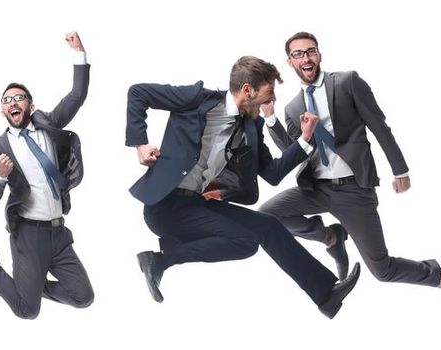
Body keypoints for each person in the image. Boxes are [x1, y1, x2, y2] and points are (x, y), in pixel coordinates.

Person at [127, 56, 361, 318]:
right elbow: (138, 93)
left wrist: (305, 140)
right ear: (247, 90)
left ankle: (327, 295)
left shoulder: (252, 126)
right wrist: (141, 144)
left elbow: (272, 173)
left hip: (195, 204)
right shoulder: (197, 99)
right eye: (268, 94)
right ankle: (161, 260)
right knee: (246, 242)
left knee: (268, 226)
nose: (270, 102)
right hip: (164, 206)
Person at [259, 32, 441, 313]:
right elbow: (292, 149)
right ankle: (329, 237)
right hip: (315, 188)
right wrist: (269, 116)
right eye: (298, 54)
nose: (306, 58)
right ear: (290, 62)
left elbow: (378, 124)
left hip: (352, 189)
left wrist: (400, 169)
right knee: (267, 215)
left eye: (310, 51)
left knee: (382, 270)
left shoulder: (347, 82)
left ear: (319, 55)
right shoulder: (293, 107)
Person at [0, 32, 94, 319]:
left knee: (83, 297)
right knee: (27, 310)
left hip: (59, 233)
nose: (13, 102)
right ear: (2, 111)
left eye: (19, 98)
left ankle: (16, 287)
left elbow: (77, 95)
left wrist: (79, 54)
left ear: (30, 105)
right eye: (7, 100)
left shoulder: (49, 125)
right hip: (29, 234)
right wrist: (0, 176)